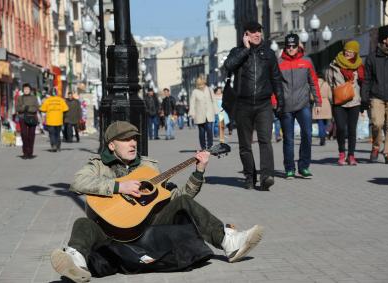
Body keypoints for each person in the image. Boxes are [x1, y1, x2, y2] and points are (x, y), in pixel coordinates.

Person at [50, 121, 263, 282]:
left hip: (147, 226)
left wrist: (198, 171)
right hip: (110, 230)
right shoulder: (98, 165)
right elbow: (78, 182)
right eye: (126, 139)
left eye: (134, 138)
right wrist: (119, 186)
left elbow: (177, 198)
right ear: (112, 145)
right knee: (82, 223)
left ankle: (229, 242)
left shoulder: (149, 167)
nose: (133, 143)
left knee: (184, 204)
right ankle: (76, 264)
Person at [224, 21, 284, 191]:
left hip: (264, 104)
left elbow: (276, 78)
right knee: (245, 145)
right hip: (243, 104)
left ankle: (267, 176)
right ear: (246, 35)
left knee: (265, 140)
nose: (257, 34)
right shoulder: (237, 52)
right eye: (253, 32)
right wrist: (245, 50)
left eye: (259, 31)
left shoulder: (269, 53)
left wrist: (280, 101)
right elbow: (228, 66)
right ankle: (250, 176)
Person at [278, 34, 322, 180]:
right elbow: (274, 85)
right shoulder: (279, 63)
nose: (291, 49)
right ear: (285, 46)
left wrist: (318, 102)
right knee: (288, 139)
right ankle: (289, 168)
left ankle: (303, 167)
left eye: (293, 46)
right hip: (286, 107)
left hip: (303, 105)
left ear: (298, 46)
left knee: (307, 135)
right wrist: (274, 102)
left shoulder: (306, 61)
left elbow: (314, 82)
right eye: (288, 46)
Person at [362, 27, 388, 164]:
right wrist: (364, 98)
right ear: (384, 40)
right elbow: (367, 80)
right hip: (376, 96)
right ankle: (375, 147)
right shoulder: (372, 58)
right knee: (377, 124)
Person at [326, 40, 364, 165]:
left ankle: (351, 155)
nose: (348, 53)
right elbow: (329, 82)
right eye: (347, 50)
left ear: (356, 53)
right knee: (341, 128)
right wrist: (332, 98)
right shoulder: (335, 64)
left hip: (354, 101)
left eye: (351, 52)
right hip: (339, 102)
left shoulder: (359, 65)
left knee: (352, 130)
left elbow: (363, 82)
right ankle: (342, 153)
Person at [189, 75, 219, 149]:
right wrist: (192, 113)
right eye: (199, 85)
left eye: (202, 84)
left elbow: (214, 100)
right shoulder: (195, 92)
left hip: (209, 113)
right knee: (201, 132)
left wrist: (216, 110)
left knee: (209, 130)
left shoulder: (209, 89)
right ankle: (203, 147)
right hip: (199, 114)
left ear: (204, 83)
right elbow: (192, 103)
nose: (201, 86)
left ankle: (210, 146)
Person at [16, 83, 39, 159]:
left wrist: (26, 108)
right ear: (23, 90)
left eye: (27, 89)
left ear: (30, 90)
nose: (26, 90)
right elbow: (18, 108)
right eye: (25, 89)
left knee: (31, 135)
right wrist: (25, 108)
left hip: (32, 118)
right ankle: (25, 152)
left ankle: (30, 152)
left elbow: (36, 108)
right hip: (22, 118)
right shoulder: (20, 98)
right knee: (24, 135)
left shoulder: (34, 98)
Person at [312, 72, 332, 147]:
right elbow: (330, 96)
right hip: (326, 103)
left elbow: (311, 96)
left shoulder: (314, 84)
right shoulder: (326, 84)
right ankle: (325, 133)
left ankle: (322, 137)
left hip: (318, 104)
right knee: (326, 122)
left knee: (320, 122)